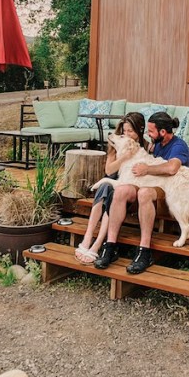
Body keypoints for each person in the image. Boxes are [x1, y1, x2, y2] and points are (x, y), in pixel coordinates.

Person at [95, 111, 189, 273]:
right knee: (121, 191)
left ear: (162, 132)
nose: (148, 134)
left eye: (151, 131)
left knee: (144, 193)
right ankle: (110, 245)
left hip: (171, 191)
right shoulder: (156, 145)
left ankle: (144, 251)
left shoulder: (178, 145)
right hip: (152, 184)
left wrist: (147, 168)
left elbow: (172, 168)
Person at [74, 112, 147, 264]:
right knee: (106, 185)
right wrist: (125, 157)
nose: (126, 134)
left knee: (111, 192)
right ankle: (88, 237)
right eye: (124, 131)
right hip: (114, 179)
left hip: (129, 185)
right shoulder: (116, 141)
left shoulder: (146, 145)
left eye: (130, 132)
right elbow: (109, 170)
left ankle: (98, 243)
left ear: (140, 130)